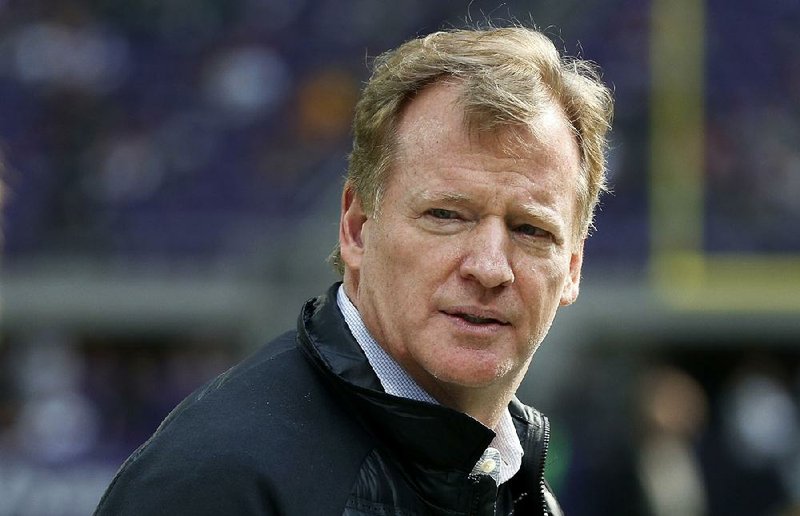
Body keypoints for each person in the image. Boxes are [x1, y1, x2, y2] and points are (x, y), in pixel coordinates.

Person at [95, 24, 613, 516]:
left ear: (572, 267)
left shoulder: (523, 490)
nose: (489, 267)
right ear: (357, 228)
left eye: (531, 230)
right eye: (446, 216)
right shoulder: (217, 482)